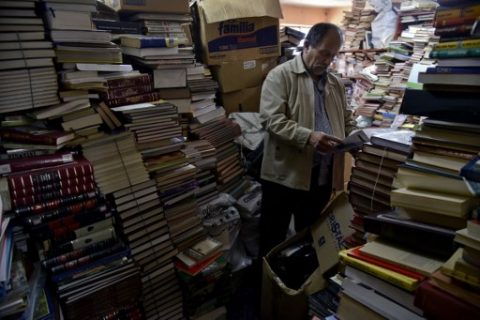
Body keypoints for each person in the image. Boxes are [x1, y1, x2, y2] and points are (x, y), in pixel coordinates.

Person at [259, 22, 357, 256]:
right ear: (306, 45)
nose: (327, 61)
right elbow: (271, 121)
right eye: (324, 53)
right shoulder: (280, 76)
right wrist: (309, 137)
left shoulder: (335, 83)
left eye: (332, 56)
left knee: (309, 236)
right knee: (272, 237)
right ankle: (266, 287)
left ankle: (299, 285)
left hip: (320, 176)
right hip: (284, 176)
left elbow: (346, 119)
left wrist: (356, 139)